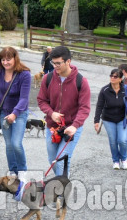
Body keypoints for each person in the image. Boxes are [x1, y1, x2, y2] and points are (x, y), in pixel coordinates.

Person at [37, 46, 90, 177]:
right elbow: (41, 100)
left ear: (68, 61)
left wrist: (75, 126)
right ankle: (62, 182)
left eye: (58, 63)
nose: (55, 66)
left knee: (61, 162)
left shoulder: (81, 81)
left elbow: (84, 108)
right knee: (53, 161)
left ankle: (61, 193)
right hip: (52, 127)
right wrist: (51, 113)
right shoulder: (47, 79)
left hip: (72, 127)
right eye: (53, 63)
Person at [0, 47, 31, 179]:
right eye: (3, 60)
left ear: (15, 58)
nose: (6, 62)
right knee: (9, 145)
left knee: (16, 143)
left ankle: (22, 171)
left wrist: (15, 114)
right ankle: (13, 171)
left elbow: (24, 98)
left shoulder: (24, 74)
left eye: (8, 59)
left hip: (20, 113)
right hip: (3, 113)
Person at [93, 68, 127, 170]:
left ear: (120, 79)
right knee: (113, 142)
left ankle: (124, 159)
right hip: (108, 119)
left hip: (122, 119)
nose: (112, 78)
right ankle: (116, 161)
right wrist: (96, 121)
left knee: (122, 140)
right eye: (111, 76)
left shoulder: (125, 89)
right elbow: (99, 106)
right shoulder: (105, 90)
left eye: (115, 76)